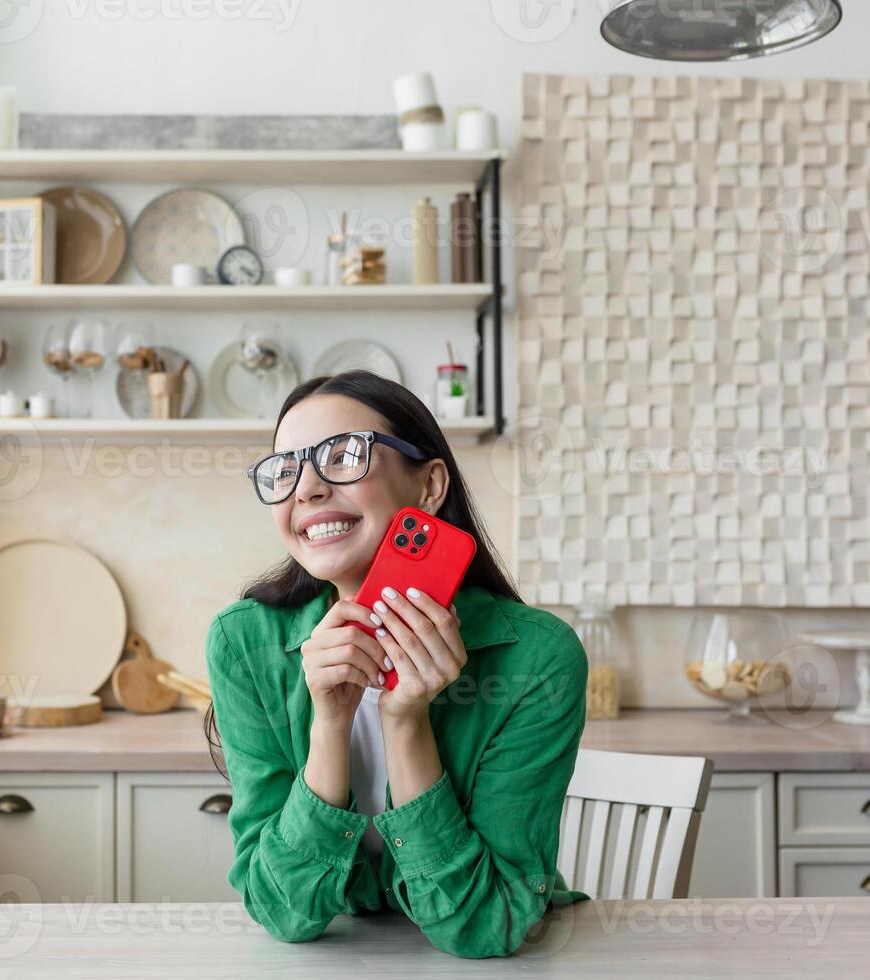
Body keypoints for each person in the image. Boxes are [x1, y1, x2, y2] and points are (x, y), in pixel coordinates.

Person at [204, 370, 588, 958]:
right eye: (284, 470)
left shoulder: (538, 659)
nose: (305, 489)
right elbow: (283, 911)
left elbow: (486, 927)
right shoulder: (243, 643)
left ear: (430, 485)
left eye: (342, 455)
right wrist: (329, 724)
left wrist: (407, 720)